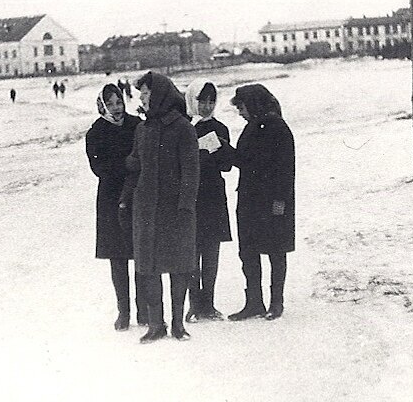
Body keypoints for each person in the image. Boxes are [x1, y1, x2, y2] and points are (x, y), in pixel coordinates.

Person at [120, 71, 199, 343]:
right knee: (149, 267)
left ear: (160, 94)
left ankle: (177, 323)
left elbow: (191, 171)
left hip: (175, 210)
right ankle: (156, 324)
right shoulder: (142, 129)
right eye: (140, 93)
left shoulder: (183, 128)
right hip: (146, 209)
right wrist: (126, 198)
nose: (141, 98)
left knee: (179, 267)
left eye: (145, 93)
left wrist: (186, 206)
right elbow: (134, 168)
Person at [224, 84, 295, 321]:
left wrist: (280, 202)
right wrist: (225, 150)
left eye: (242, 107)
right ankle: (254, 302)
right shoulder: (253, 126)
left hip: (271, 201)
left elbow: (285, 168)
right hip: (250, 199)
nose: (240, 113)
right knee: (249, 251)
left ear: (253, 105)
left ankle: (276, 302)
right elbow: (247, 161)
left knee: (276, 251)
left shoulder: (277, 127)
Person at [85, 83, 145, 330]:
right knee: (118, 257)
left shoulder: (136, 125)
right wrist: (125, 165)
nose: (116, 108)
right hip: (110, 198)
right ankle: (124, 311)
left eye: (119, 102)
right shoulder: (96, 133)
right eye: (110, 104)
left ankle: (144, 310)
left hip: (136, 195)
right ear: (102, 106)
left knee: (140, 254)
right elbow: (99, 168)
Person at [184, 81, 232, 322]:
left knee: (211, 251)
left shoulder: (220, 128)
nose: (206, 106)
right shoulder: (185, 127)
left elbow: (226, 166)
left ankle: (209, 303)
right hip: (192, 196)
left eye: (211, 101)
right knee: (192, 252)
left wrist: (218, 148)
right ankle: (194, 303)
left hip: (213, 196)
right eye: (201, 101)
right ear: (193, 100)